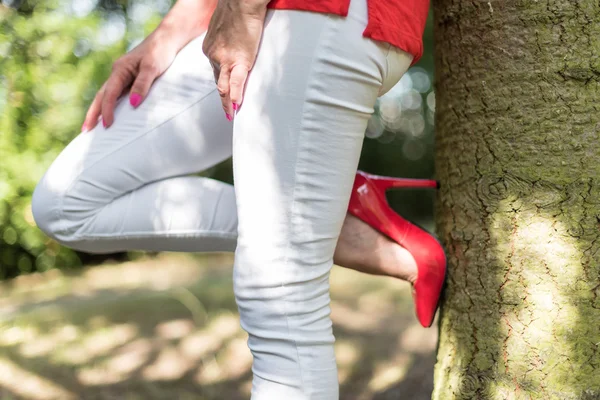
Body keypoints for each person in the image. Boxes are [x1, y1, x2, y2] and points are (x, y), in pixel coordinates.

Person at [31, 0, 445, 397]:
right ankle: (341, 224)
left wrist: (244, 6)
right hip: (246, 15)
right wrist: (172, 29)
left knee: (279, 294)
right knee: (66, 203)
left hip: (316, 16)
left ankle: (319, 222)